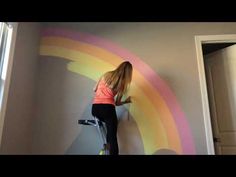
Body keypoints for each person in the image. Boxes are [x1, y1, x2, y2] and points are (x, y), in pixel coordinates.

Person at [91, 61, 133, 155]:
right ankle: (110, 152)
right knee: (112, 136)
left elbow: (94, 89)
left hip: (95, 109)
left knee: (109, 133)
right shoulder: (122, 84)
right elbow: (117, 103)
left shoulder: (106, 74)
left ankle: (107, 151)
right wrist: (127, 101)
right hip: (107, 109)